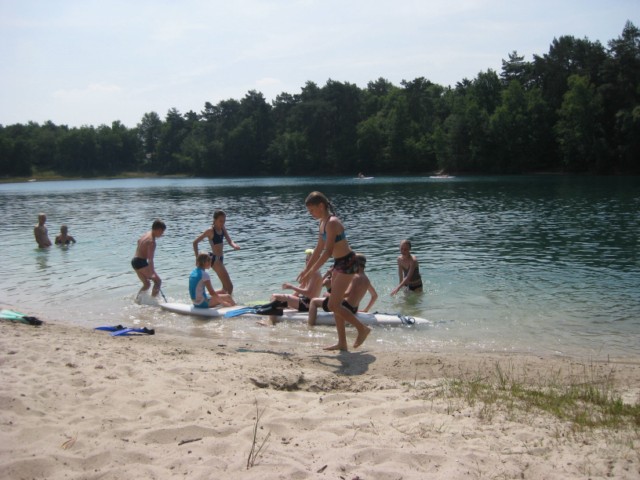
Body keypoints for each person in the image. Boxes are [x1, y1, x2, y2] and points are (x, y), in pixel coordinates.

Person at [298, 191, 371, 351]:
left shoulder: (332, 222)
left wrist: (311, 272)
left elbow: (328, 252)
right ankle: (342, 343)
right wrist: (306, 270)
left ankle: (362, 329)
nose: (310, 214)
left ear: (321, 206)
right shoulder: (322, 223)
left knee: (333, 305)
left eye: (312, 210)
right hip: (338, 263)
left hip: (348, 262)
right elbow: (319, 248)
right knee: (336, 304)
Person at [308, 253, 378, 328]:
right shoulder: (367, 280)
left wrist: (331, 295)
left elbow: (347, 293)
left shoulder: (354, 276)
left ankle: (310, 326)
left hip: (345, 307)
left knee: (314, 301)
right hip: (354, 309)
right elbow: (374, 296)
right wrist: (366, 310)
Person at [256, 248, 323, 324]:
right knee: (278, 300)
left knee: (275, 297)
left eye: (309, 260)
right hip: (304, 301)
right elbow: (302, 286)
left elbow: (309, 293)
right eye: (306, 260)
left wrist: (291, 287)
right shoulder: (310, 272)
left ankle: (270, 322)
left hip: (308, 304)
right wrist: (290, 298)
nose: (307, 262)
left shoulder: (315, 273)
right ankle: (273, 318)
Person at [192, 210, 240, 294]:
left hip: (221, 259)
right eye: (220, 221)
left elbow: (229, 241)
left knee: (225, 289)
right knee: (230, 287)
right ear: (215, 220)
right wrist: (197, 259)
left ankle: (206, 296)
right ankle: (228, 301)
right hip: (215, 260)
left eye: (224, 221)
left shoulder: (222, 228)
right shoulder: (210, 231)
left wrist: (234, 245)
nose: (222, 223)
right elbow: (195, 242)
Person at [131, 219, 166, 298]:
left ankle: (138, 300)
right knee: (158, 281)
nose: (162, 234)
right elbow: (150, 260)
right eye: (162, 231)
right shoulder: (152, 242)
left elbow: (139, 241)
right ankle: (153, 300)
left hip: (134, 261)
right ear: (158, 230)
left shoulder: (147, 234)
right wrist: (152, 273)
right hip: (140, 262)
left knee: (147, 284)